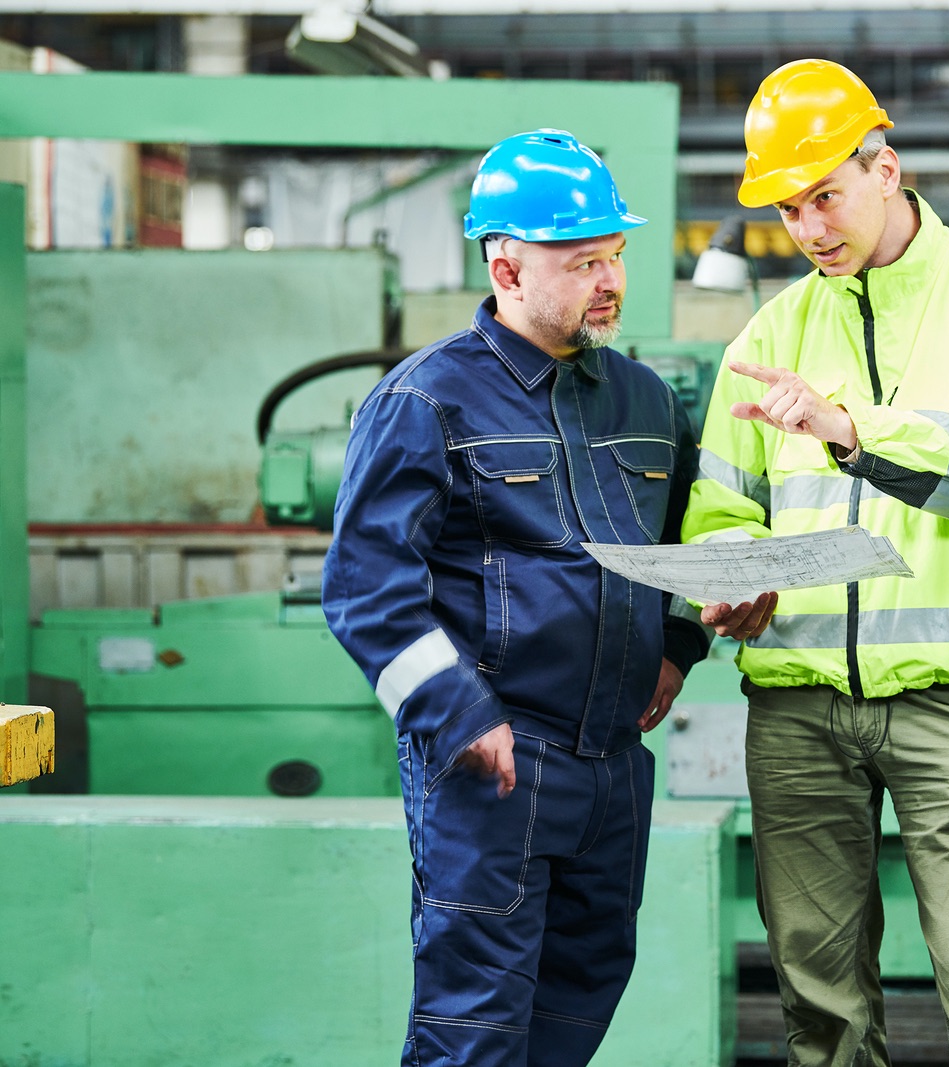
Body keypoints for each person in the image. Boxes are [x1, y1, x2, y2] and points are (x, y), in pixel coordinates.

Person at [683, 60, 949, 1067]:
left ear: (886, 168)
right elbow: (722, 504)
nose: (809, 228)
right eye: (788, 207)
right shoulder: (766, 338)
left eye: (825, 195)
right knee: (819, 1011)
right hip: (796, 707)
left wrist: (851, 427)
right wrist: (730, 575)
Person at [323, 129, 708, 1067]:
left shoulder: (646, 401)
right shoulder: (426, 400)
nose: (609, 280)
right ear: (506, 264)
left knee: (578, 1005)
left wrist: (677, 643)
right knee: (475, 1027)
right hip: (494, 767)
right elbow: (365, 586)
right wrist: (453, 710)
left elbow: (693, 539)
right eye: (583, 262)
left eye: (615, 256)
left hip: (613, 767)